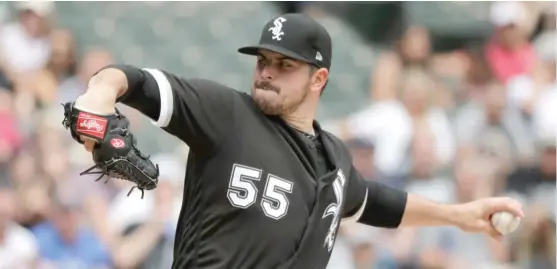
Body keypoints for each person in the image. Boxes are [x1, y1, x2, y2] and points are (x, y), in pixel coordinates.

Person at [70, 13, 523, 269]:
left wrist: (458, 216)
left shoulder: (335, 160)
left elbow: (379, 203)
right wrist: (98, 95)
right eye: (263, 59)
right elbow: (131, 80)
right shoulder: (225, 113)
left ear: (318, 78)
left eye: (284, 64)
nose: (266, 70)